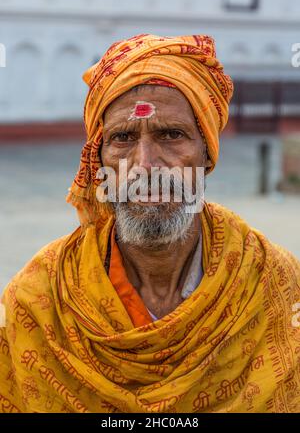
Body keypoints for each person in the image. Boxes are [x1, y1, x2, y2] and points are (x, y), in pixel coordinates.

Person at [0, 34, 299, 413]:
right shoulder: (38, 298)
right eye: (123, 138)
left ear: (207, 152)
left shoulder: (274, 282)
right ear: (100, 161)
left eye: (171, 135)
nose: (144, 165)